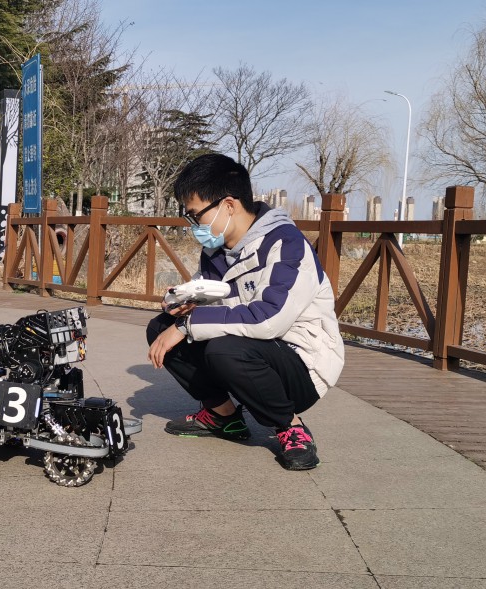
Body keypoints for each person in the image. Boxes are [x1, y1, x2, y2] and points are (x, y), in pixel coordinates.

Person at [146, 153, 345, 470]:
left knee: (223, 349)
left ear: (228, 205)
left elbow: (268, 319)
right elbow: (208, 292)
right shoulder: (217, 250)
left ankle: (290, 426)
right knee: (160, 328)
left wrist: (185, 326)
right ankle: (223, 416)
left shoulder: (286, 245)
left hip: (302, 362)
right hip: (250, 347)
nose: (194, 226)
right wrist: (179, 302)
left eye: (196, 216)